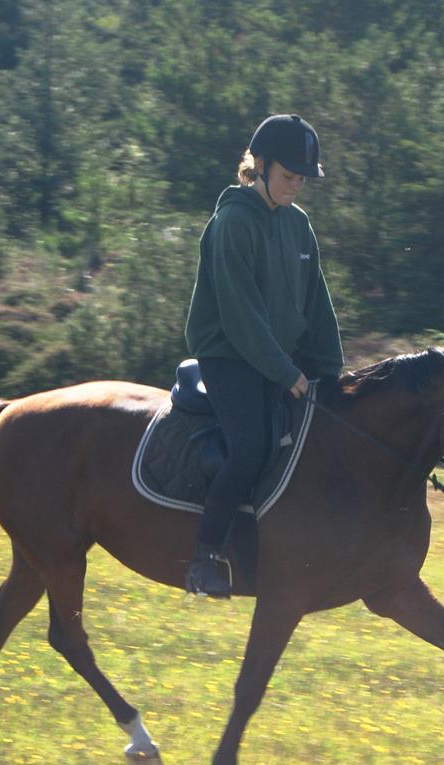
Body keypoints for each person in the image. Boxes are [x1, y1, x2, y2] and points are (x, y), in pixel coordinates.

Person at [182, 113, 344, 597]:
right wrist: (285, 372)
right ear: (260, 166)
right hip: (230, 356)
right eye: (288, 176)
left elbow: (317, 302)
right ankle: (204, 557)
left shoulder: (298, 226)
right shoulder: (232, 222)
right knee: (251, 446)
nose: (295, 186)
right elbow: (240, 315)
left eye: (301, 180)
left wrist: (331, 372)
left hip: (279, 355)